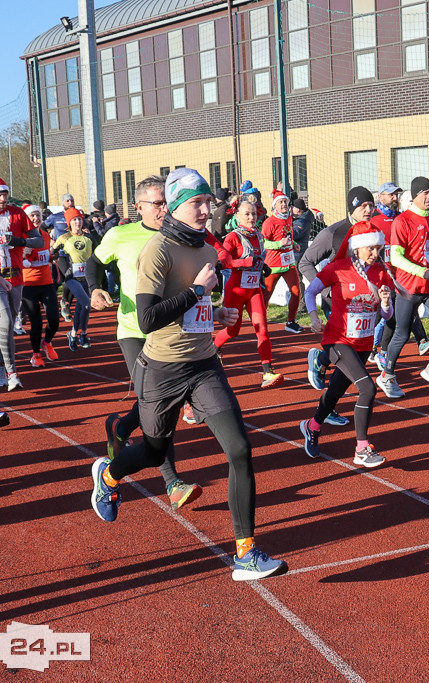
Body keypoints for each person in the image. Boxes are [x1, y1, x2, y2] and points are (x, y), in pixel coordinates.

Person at [89, 168, 286, 580]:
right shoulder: (157, 251)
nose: (206, 209)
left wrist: (217, 312)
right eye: (197, 203)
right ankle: (107, 475)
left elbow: (191, 314)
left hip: (204, 364)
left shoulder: (208, 250)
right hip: (161, 369)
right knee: (155, 452)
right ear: (177, 208)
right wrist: (198, 292)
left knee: (240, 450)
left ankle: (246, 552)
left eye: (208, 202)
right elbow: (146, 319)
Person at [87, 175, 203, 509]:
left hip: (173, 332)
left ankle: (120, 426)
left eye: (168, 202)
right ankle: (173, 482)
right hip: (135, 330)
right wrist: (96, 288)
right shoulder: (120, 234)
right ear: (139, 207)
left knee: (159, 401)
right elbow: (95, 262)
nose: (164, 209)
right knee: (158, 401)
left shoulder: (181, 236)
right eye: (158, 203)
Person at [300, 221, 394, 468]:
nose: (375, 254)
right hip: (337, 341)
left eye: (378, 249)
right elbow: (310, 292)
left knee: (334, 393)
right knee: (368, 389)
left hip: (362, 344)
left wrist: (385, 302)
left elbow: (386, 315)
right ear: (357, 248)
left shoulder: (382, 272)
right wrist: (313, 317)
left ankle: (312, 426)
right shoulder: (337, 268)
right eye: (370, 249)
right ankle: (362, 449)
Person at [376, 176, 429, 397]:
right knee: (401, 335)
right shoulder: (402, 221)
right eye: (425, 193)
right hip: (407, 288)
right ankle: (386, 375)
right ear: (414, 196)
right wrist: (422, 271)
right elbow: (396, 258)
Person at [0, 174, 42, 392]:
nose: (3, 198)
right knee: (4, 324)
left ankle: (0, 363)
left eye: (5, 194)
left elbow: (39, 240)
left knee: (9, 326)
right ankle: (12, 372)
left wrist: (18, 241)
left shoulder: (17, 214)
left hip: (16, 277)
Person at [214, 198, 283, 388]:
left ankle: (267, 371)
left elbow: (258, 259)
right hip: (235, 290)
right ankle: (213, 348)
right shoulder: (233, 237)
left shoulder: (259, 236)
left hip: (253, 290)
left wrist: (264, 267)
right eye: (247, 214)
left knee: (262, 329)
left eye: (254, 214)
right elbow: (225, 262)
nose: (252, 217)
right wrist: (245, 263)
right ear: (237, 216)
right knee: (232, 331)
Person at [19, 205, 60, 367]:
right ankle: (36, 354)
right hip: (28, 285)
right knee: (36, 322)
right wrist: (25, 256)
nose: (35, 219)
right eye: (32, 216)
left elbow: (46, 256)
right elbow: (17, 259)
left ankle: (47, 342)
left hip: (46, 283)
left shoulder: (45, 236)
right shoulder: (21, 238)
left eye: (37, 215)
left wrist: (52, 257)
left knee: (54, 319)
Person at [52, 208, 96, 350]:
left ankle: (73, 334)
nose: (77, 222)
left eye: (79, 219)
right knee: (86, 305)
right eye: (74, 219)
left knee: (81, 308)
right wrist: (56, 261)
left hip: (86, 278)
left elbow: (98, 254)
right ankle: (83, 334)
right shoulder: (64, 238)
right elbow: (52, 253)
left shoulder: (89, 238)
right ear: (69, 222)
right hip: (72, 278)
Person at [260, 190, 303, 333]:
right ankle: (260, 323)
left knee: (296, 292)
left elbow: (288, 237)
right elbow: (264, 243)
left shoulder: (289, 219)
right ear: (275, 205)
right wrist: (279, 244)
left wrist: (294, 244)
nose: (284, 204)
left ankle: (290, 322)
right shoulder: (269, 222)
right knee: (266, 295)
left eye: (285, 201)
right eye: (281, 202)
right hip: (273, 265)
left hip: (289, 262)